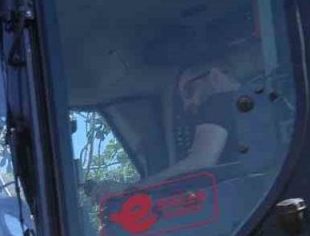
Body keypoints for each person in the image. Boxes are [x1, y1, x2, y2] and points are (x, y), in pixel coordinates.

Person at [91, 62, 241, 198]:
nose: (189, 105)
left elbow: (200, 162)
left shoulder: (220, 100)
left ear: (214, 75)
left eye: (189, 91)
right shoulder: (246, 106)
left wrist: (131, 189)